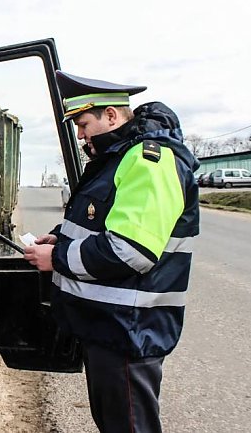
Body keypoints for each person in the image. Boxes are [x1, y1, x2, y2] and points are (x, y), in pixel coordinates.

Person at [24, 70, 200, 433]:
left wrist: (55, 259)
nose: (81, 134)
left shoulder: (149, 160)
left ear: (111, 115)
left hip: (128, 331)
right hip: (110, 328)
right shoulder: (118, 160)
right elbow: (102, 224)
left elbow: (129, 250)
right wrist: (61, 239)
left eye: (83, 123)